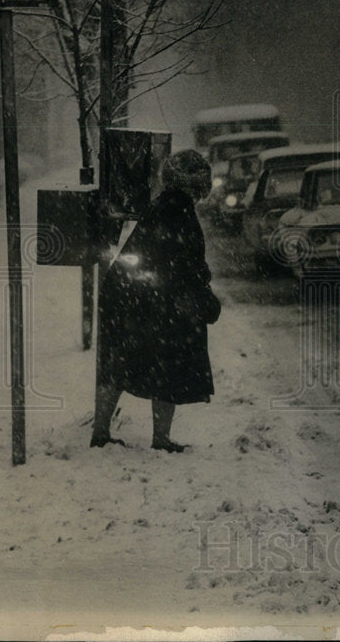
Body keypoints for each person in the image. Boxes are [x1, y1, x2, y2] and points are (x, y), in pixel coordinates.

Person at [91, 149, 221, 452]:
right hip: (158, 301)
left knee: (120, 364)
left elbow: (160, 255)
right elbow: (182, 262)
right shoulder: (180, 210)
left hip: (129, 296)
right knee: (170, 367)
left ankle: (100, 431)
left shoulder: (161, 205)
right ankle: (160, 438)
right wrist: (203, 294)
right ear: (197, 183)